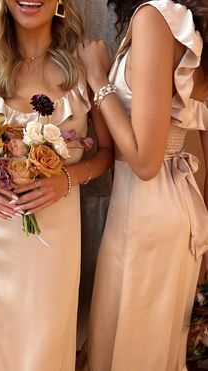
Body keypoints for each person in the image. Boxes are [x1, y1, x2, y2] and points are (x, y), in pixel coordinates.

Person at [0, 1, 113, 370]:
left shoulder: (82, 75)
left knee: (45, 349)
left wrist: (66, 179)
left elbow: (108, 154)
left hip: (54, 242)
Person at [76, 0, 208, 370]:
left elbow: (145, 161)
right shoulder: (180, 23)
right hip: (163, 209)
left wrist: (99, 77)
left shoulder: (156, 17)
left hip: (146, 214)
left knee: (129, 353)